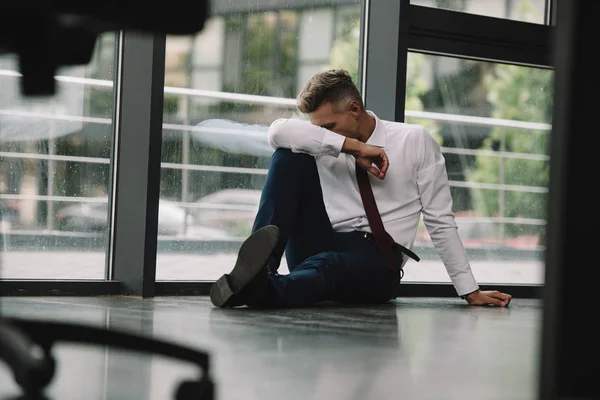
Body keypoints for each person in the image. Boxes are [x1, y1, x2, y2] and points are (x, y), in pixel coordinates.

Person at [209, 69, 512, 309]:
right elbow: (278, 131)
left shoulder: (414, 140)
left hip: (377, 261)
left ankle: (257, 290)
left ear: (354, 108)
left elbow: (440, 220)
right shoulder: (325, 142)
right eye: (316, 128)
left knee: (327, 266)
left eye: (327, 127)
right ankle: (260, 274)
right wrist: (351, 147)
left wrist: (469, 289)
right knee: (288, 155)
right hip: (322, 242)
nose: (320, 135)